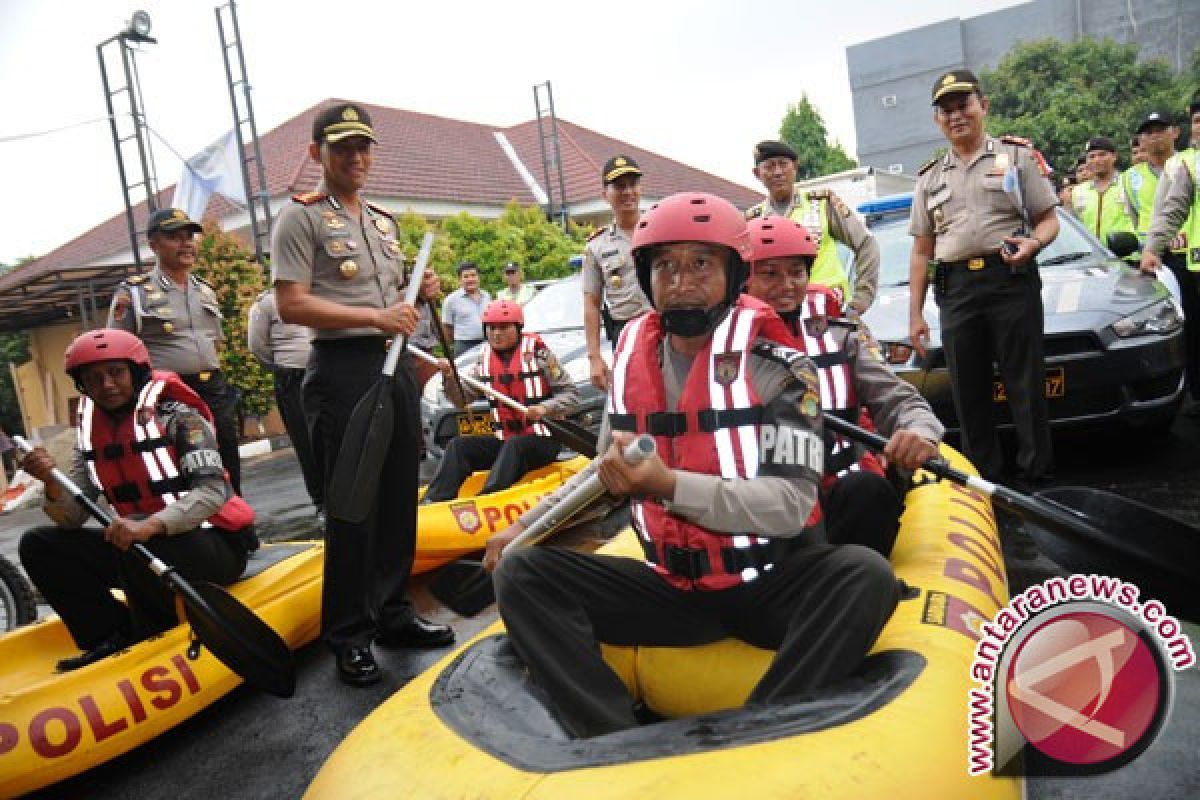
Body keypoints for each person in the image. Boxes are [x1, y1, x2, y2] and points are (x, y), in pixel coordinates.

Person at [485, 192, 900, 739]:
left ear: (733, 274)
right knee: (522, 570)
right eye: (665, 265)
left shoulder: (784, 370)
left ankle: (755, 732)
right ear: (645, 275)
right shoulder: (634, 356)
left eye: (700, 263)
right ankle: (610, 739)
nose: (680, 281)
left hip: (770, 581)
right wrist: (522, 529)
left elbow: (790, 505)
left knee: (865, 577)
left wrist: (668, 484)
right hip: (672, 588)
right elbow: (603, 471)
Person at [271, 102, 453, 688]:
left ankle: (394, 612)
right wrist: (378, 314)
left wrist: (420, 292)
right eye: (342, 146)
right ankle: (349, 634)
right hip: (343, 369)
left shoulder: (382, 222)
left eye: (363, 147)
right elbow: (291, 304)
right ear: (316, 153)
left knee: (401, 495)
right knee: (354, 507)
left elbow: (398, 310)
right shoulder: (299, 219)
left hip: (392, 367)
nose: (355, 157)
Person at [18, 329, 255, 671]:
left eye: (116, 372)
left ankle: (153, 637)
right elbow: (70, 519)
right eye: (94, 378)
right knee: (40, 544)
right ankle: (111, 633)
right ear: (83, 384)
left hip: (214, 547)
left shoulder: (180, 418)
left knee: (131, 543)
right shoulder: (89, 435)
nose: (107, 384)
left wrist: (152, 525)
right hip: (141, 549)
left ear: (136, 371)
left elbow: (212, 492)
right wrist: (50, 484)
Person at [743, 217, 942, 555]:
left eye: (796, 272)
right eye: (770, 273)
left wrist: (919, 431)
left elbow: (898, 398)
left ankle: (848, 574)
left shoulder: (838, 336)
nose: (787, 284)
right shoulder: (725, 347)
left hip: (839, 491)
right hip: (768, 501)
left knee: (869, 491)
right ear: (743, 281)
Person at [909, 70, 1060, 486]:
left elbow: (1048, 220)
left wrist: (1034, 244)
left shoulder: (1016, 158)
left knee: (1025, 383)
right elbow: (922, 250)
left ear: (983, 107)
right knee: (969, 391)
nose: (956, 116)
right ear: (937, 120)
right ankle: (983, 481)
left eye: (964, 106)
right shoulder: (929, 178)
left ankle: (1036, 476)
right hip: (956, 290)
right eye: (946, 110)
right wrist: (915, 315)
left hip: (1010, 279)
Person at [108, 208, 243, 494]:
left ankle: (238, 527)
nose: (186, 243)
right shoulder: (135, 293)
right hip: (169, 393)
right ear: (154, 245)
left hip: (212, 388)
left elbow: (213, 342)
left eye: (189, 237)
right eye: (174, 237)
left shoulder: (205, 290)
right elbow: (116, 351)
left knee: (228, 456)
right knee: (185, 464)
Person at [422, 300, 579, 503]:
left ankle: (489, 498)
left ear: (518, 328)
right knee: (458, 445)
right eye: (491, 328)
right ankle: (435, 500)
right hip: (506, 441)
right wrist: (449, 378)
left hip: (543, 441)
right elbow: (462, 400)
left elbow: (571, 395)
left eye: (504, 327)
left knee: (515, 444)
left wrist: (544, 408)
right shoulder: (484, 361)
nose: (496, 334)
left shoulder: (540, 355)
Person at [745, 140, 880, 317]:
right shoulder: (753, 221)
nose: (777, 172)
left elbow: (866, 244)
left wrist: (860, 299)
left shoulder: (821, 203)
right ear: (757, 173)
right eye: (769, 166)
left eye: (783, 164)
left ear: (795, 167)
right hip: (778, 317)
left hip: (830, 312)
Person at [1141, 97, 1200, 415]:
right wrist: (1152, 248)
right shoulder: (1187, 165)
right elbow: (1170, 210)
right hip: (1188, 262)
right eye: (1197, 121)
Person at [247, 288, 323, 515]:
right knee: (306, 442)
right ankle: (321, 502)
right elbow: (258, 347)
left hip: (325, 373)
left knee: (335, 438)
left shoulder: (321, 293)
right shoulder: (268, 302)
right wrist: (286, 365)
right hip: (293, 377)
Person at [582, 155, 652, 390]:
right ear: (605, 194)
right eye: (620, 186)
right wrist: (594, 358)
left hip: (665, 328)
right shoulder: (597, 246)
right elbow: (591, 303)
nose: (628, 192)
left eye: (633, 185)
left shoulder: (659, 230)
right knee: (632, 403)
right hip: (626, 334)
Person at [1121, 110, 1180, 253]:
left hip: (1189, 248)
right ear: (1140, 140)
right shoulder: (1129, 176)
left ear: (1175, 132)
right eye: (1148, 133)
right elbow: (1134, 217)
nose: (1154, 136)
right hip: (1152, 252)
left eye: (1160, 130)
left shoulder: (1190, 164)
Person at [1071, 136, 1134, 241]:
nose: (1097, 160)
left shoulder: (1128, 182)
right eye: (1091, 156)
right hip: (1095, 254)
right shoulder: (1078, 191)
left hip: (1129, 254)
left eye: (1102, 155)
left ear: (1114, 156)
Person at [441, 261, 491, 357]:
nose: (470, 279)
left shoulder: (486, 295)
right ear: (460, 279)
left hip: (486, 343)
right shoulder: (451, 300)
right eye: (466, 276)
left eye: (473, 275)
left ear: (478, 277)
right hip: (464, 346)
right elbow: (447, 327)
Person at [411, 269, 446, 389]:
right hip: (410, 355)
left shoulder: (430, 302)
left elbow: (439, 333)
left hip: (427, 355)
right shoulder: (405, 298)